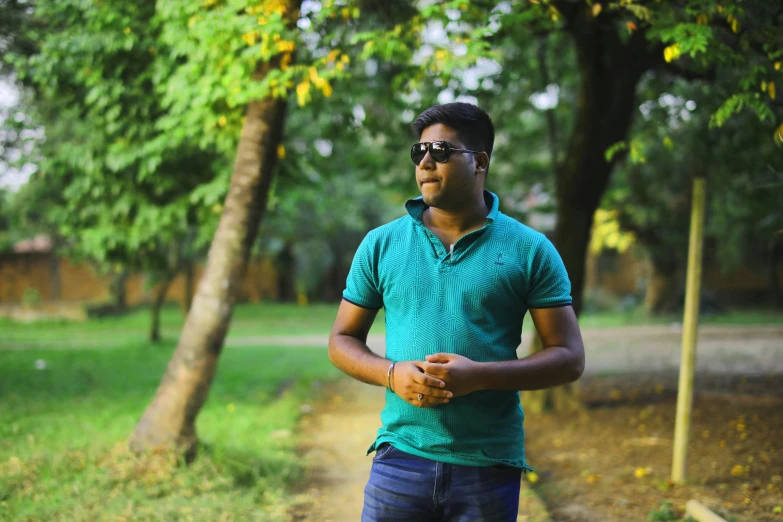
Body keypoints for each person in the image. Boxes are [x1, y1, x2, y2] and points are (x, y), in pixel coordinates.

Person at [328, 102, 585, 522]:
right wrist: (392, 374)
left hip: (488, 464)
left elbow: (569, 358)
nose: (426, 162)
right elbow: (341, 341)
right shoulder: (381, 244)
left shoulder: (530, 248)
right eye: (419, 152)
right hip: (400, 457)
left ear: (479, 161)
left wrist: (479, 376)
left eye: (442, 152)